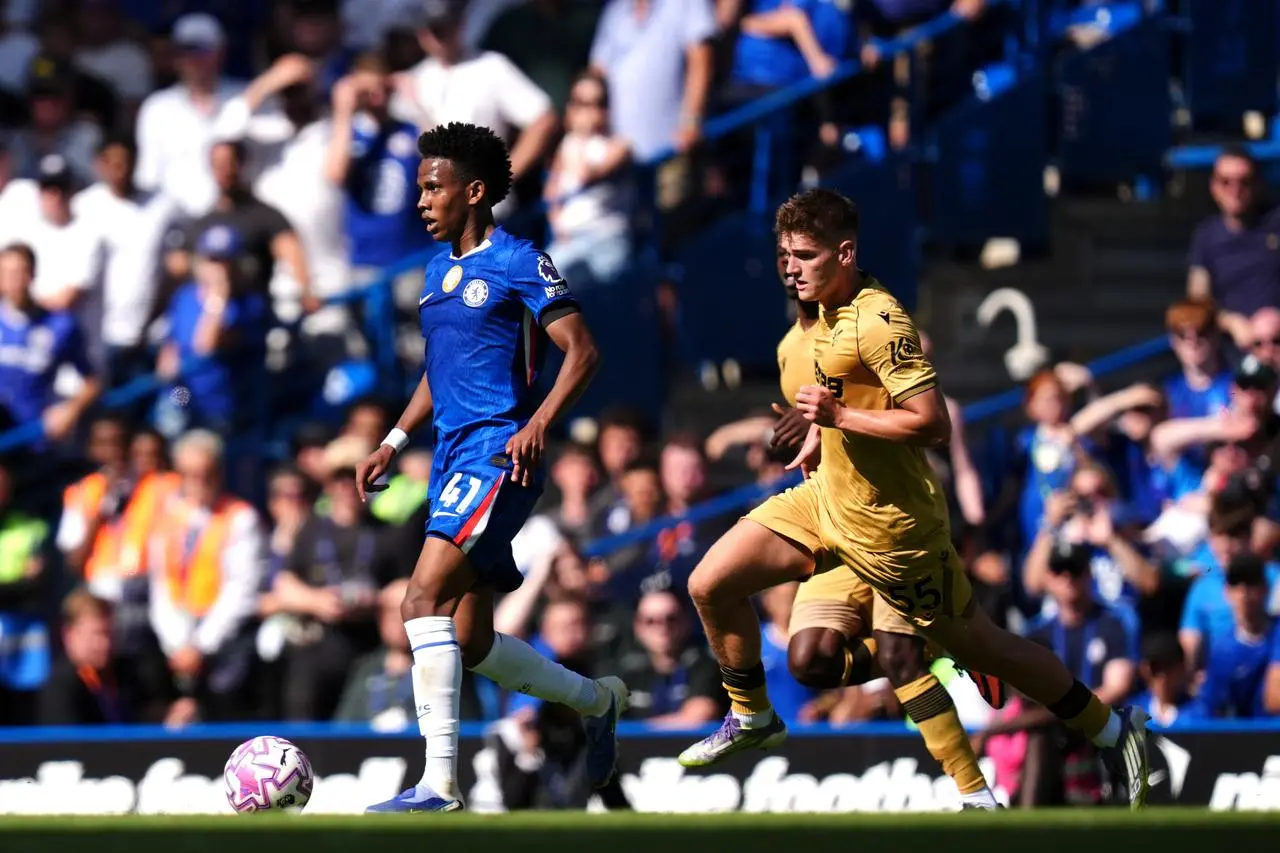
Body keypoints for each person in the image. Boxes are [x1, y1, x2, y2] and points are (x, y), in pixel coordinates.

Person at [678, 188, 1151, 809]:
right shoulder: (800, 335)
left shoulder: (879, 319)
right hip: (825, 504)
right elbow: (830, 412)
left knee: (973, 646)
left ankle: (1104, 735)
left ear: (845, 254)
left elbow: (932, 423)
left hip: (894, 527)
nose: (790, 267)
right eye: (784, 255)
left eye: (805, 255)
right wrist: (812, 436)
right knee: (750, 614)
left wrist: (839, 416)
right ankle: (752, 714)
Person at [357, 122, 626, 814]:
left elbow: (585, 349)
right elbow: (437, 372)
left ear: (473, 191)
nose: (421, 199)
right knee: (470, 639)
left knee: (418, 601)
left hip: (498, 452)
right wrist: (393, 436)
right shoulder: (436, 272)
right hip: (450, 456)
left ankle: (439, 784)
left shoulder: (517, 261)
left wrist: (538, 422)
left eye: (433, 186)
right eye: (420, 187)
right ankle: (596, 702)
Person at [765, 231, 1008, 808]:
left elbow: (952, 466)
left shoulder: (904, 380)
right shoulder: (814, 361)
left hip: (904, 526)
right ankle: (950, 648)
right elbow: (823, 432)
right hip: (844, 526)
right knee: (811, 661)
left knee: (901, 658)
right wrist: (807, 436)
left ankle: (976, 796)